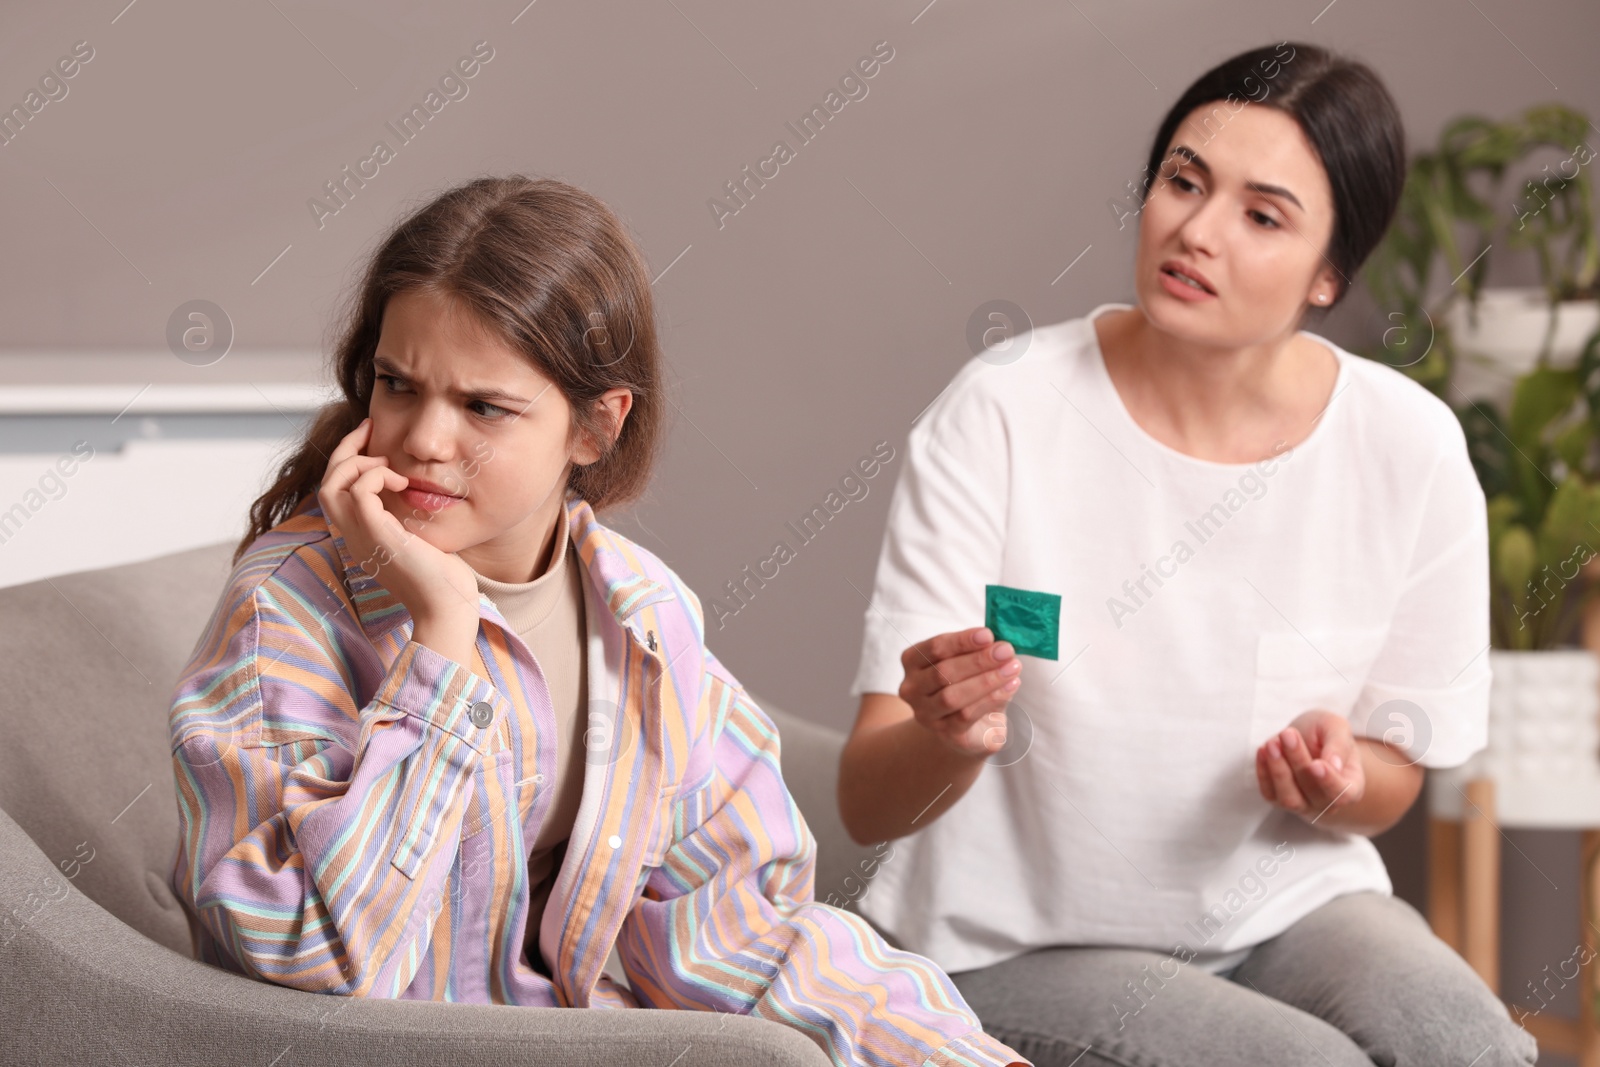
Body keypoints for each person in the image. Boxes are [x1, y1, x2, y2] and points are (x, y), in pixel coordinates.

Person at [166, 175, 1027, 1067]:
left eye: (483, 407)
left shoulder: (642, 620)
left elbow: (735, 928)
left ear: (595, 426)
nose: (423, 437)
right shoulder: (286, 610)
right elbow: (312, 954)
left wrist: (951, 1053)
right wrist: (441, 637)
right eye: (397, 384)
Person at [837, 42, 1538, 1067]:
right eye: (1182, 180)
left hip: (1289, 911)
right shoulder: (1004, 410)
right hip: (1013, 944)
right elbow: (866, 800)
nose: (1195, 231)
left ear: (1328, 274)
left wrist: (1335, 777)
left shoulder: (1409, 447)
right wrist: (947, 731)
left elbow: (1391, 778)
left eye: (1261, 215)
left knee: (1467, 1043)